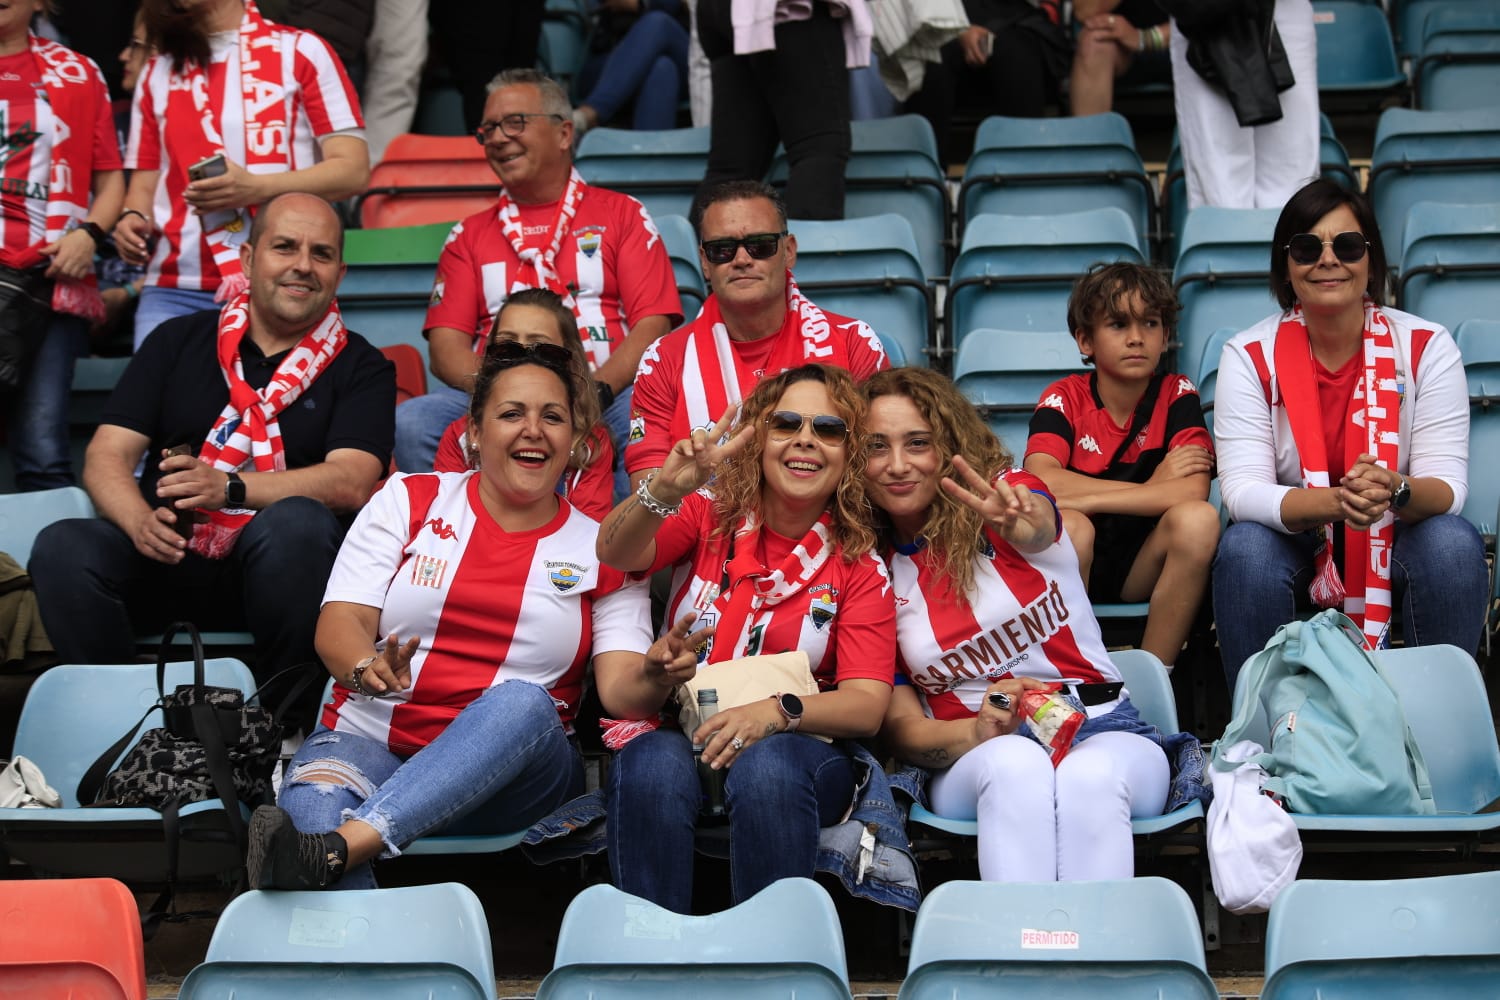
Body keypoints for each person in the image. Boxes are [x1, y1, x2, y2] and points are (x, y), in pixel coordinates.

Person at [245, 337, 660, 891]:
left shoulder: (606, 547)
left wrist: (658, 672)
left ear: (577, 442)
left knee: (520, 700)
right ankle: (362, 957)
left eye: (553, 417)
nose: (533, 429)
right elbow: (339, 624)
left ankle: (343, 846)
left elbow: (622, 693)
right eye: (512, 413)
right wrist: (365, 665)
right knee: (312, 819)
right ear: (474, 432)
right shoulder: (408, 499)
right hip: (370, 741)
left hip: (518, 779)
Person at [30, 193, 395, 726]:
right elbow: (107, 452)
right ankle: (120, 727)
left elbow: (353, 481)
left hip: (285, 581)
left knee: (298, 524)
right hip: (168, 553)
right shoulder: (176, 340)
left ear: (339, 272)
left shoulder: (363, 365)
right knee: (64, 544)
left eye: (320, 254)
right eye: (284, 247)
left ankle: (280, 736)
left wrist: (229, 488)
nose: (301, 265)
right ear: (248, 258)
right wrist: (137, 522)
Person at [863, 366, 1187, 883]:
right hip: (975, 750)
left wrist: (1019, 518)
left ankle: (1098, 952)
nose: (897, 465)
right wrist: (978, 728)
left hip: (1104, 727)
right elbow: (904, 730)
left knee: (1091, 774)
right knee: (1015, 761)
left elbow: (1039, 523)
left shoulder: (1007, 495)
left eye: (917, 443)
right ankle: (1024, 948)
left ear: (948, 445)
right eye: (876, 447)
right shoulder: (870, 573)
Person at [597, 363, 896, 913]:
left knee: (768, 766)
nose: (806, 439)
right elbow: (614, 552)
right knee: (648, 764)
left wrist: (775, 712)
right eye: (786, 424)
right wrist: (664, 485)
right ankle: (647, 958)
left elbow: (866, 706)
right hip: (685, 728)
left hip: (802, 751)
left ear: (848, 454)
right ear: (758, 438)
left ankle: (773, 963)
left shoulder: (860, 566)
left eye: (828, 429)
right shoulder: (708, 515)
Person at [1212, 179, 1487, 686]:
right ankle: (1262, 741)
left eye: (1347, 245)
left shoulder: (1427, 346)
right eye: (1306, 247)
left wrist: (1393, 490)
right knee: (1245, 548)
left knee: (1452, 543)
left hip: (1398, 533)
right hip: (1296, 541)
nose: (1328, 260)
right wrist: (1337, 503)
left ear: (1371, 259)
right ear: (1286, 264)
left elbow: (1447, 488)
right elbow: (1242, 493)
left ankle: (1437, 732)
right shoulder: (1249, 354)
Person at [398, 68, 680, 493]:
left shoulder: (622, 214)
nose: (496, 137)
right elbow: (445, 348)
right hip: (497, 393)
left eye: (515, 122)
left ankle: (622, 558)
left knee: (649, 426)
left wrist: (596, 390)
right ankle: (452, 544)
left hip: (608, 392)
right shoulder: (468, 235)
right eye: (488, 128)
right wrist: (505, 393)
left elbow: (653, 327)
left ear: (564, 133)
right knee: (415, 421)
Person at [114, 0, 369, 348]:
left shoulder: (302, 51)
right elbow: (143, 187)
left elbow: (353, 171)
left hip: (280, 284)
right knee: (159, 403)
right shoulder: (157, 70)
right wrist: (132, 218)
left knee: (273, 404)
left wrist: (256, 188)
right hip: (174, 286)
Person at [626, 180, 887, 490]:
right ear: (704, 263)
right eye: (722, 249)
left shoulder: (854, 343)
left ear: (789, 251)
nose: (742, 259)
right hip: (703, 535)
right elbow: (647, 498)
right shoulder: (662, 360)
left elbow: (875, 468)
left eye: (760, 246)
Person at [1023, 262, 1218, 671]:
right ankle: (1073, 678)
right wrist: (1153, 486)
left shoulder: (1177, 393)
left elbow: (1191, 491)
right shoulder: (1065, 397)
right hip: (1077, 563)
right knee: (1074, 525)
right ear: (1085, 340)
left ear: (1165, 337)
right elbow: (1041, 482)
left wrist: (1089, 494)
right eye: (1117, 324)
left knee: (1198, 520)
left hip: (1142, 564)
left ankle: (1155, 680)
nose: (1135, 338)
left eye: (1149, 323)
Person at [0, 0, 123, 490]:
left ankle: (41, 568)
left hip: (51, 283)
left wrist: (88, 234)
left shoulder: (78, 72)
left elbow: (111, 179)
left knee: (42, 450)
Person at [432, 288, 615, 520]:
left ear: (570, 360)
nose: (523, 358)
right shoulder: (460, 436)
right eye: (507, 346)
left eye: (542, 348)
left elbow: (591, 540)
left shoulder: (592, 445)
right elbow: (445, 525)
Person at [693, 0, 871, 220]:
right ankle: (808, 254)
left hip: (726, 10)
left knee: (733, 171)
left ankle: (695, 255)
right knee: (818, 150)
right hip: (786, 11)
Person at [1159, 0, 1317, 210]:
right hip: (1205, 17)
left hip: (1285, 11)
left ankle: (1288, 241)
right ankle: (1228, 241)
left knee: (1292, 174)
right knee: (1219, 180)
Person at [903, 0, 1072, 164]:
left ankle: (1023, 173)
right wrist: (958, 29)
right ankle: (924, 176)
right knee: (931, 61)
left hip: (1015, 21)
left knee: (1018, 54)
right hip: (937, 18)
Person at [572, 0, 690, 135]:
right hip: (611, 60)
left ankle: (591, 112)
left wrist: (641, 4)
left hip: (683, 55)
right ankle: (650, 154)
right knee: (661, 68)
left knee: (657, 22)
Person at [1069, 1, 1169, 117]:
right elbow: (1084, 11)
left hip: (1184, 46)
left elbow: (1194, 19)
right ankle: (1091, 133)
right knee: (1094, 42)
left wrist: (1145, 38)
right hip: (1124, 45)